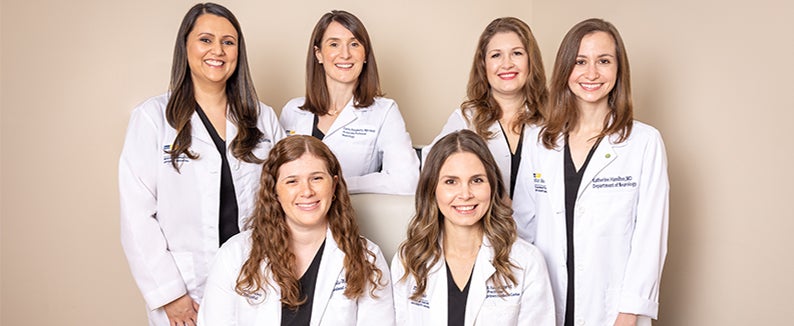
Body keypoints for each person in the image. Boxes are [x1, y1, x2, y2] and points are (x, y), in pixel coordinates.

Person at [119, 3, 284, 325]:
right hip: (186, 289)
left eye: (228, 41)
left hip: (257, 279)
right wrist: (170, 295)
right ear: (186, 46)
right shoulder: (152, 119)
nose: (218, 51)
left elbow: (280, 201)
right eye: (206, 40)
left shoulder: (262, 118)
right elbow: (136, 217)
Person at [513, 18, 669, 326]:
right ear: (565, 69)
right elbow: (523, 228)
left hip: (613, 310)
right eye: (580, 61)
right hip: (545, 303)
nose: (591, 73)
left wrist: (629, 313)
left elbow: (650, 238)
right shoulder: (538, 141)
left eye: (604, 61)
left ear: (619, 70)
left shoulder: (643, 142)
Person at [197, 135, 395, 325]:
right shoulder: (234, 255)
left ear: (334, 185)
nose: (307, 191)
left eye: (316, 178)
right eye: (292, 181)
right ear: (274, 190)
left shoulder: (367, 258)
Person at [392, 130, 555, 325]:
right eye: (451, 182)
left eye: (477, 180)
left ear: (492, 186)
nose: (465, 194)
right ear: (432, 189)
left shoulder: (526, 261)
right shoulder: (409, 259)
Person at [279, 10, 419, 195]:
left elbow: (407, 181)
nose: (345, 54)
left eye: (354, 44)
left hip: (350, 218)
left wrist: (336, 184)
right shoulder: (293, 110)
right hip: (296, 220)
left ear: (365, 54)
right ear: (318, 54)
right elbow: (275, 175)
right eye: (334, 44)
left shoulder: (385, 111)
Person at [422, 17, 547, 202]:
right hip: (486, 228)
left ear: (531, 61)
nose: (507, 64)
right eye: (496, 55)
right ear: (483, 65)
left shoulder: (554, 120)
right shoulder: (465, 120)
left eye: (517, 53)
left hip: (545, 229)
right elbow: (431, 166)